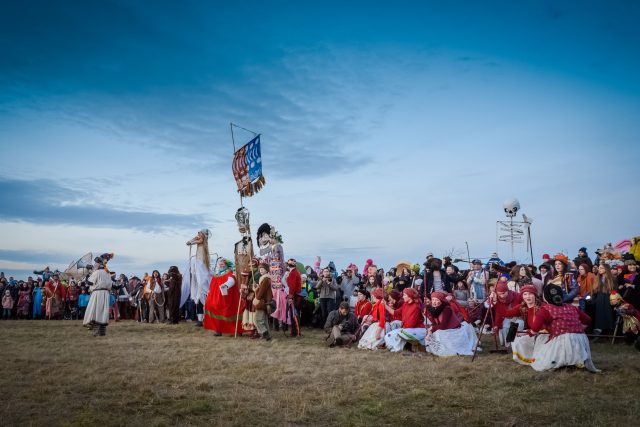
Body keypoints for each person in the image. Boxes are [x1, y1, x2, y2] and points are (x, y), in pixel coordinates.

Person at [525, 284, 598, 372]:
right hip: (580, 339)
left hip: (561, 339)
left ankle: (560, 362)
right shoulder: (571, 307)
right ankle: (576, 360)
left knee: (541, 353)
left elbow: (535, 329)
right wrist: (579, 328)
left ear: (545, 297)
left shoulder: (545, 309)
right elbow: (588, 320)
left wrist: (529, 332)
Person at [424, 291, 478, 356]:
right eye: (433, 300)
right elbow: (435, 323)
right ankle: (435, 349)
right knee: (430, 331)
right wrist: (431, 328)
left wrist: (431, 330)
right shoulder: (433, 309)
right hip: (443, 327)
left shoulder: (447, 309)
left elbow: (443, 325)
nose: (434, 302)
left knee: (438, 333)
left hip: (452, 329)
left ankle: (444, 350)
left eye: (436, 300)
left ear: (441, 301)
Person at [181, 229, 213, 327]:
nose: (197, 236)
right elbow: (188, 243)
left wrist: (194, 239)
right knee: (198, 296)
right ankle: (200, 319)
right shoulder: (200, 244)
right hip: (198, 268)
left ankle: (206, 318)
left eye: (199, 234)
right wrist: (193, 239)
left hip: (201, 268)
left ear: (203, 236)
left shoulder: (202, 243)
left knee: (202, 291)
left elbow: (190, 242)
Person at [204, 258, 241, 336]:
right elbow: (212, 285)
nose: (221, 265)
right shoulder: (216, 274)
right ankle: (218, 330)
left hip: (225, 297)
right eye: (220, 264)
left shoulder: (229, 273)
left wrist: (226, 285)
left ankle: (236, 329)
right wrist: (209, 292)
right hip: (215, 297)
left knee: (227, 312)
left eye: (222, 264)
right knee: (214, 310)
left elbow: (232, 281)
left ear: (226, 265)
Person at [383, 288, 426, 352]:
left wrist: (401, 327)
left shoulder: (416, 306)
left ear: (410, 296)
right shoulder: (405, 304)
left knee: (399, 332)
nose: (403, 297)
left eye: (405, 295)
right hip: (406, 329)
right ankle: (396, 348)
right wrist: (385, 306)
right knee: (388, 335)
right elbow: (395, 313)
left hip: (417, 330)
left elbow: (411, 324)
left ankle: (399, 348)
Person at [490, 278, 524, 347]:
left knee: (515, 325)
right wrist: (496, 325)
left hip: (518, 317)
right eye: (499, 294)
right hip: (505, 317)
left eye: (503, 293)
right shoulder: (496, 299)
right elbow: (499, 313)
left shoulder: (517, 296)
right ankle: (507, 344)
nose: (502, 296)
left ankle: (515, 343)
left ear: (507, 290)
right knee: (504, 327)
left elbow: (523, 308)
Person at [82, 261, 113, 336]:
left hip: (97, 293)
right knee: (102, 313)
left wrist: (86, 276)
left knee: (95, 312)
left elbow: (90, 282)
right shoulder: (108, 273)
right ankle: (102, 332)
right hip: (105, 293)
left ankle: (97, 332)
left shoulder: (97, 272)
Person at [589, 263, 616, 337]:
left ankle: (609, 332)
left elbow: (615, 290)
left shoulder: (612, 279)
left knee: (608, 315)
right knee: (600, 316)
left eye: (601, 268)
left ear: (606, 269)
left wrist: (613, 299)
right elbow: (594, 291)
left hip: (608, 299)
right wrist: (593, 300)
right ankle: (600, 332)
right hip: (599, 299)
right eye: (599, 268)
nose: (599, 269)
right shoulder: (597, 278)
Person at [252, 263, 273, 340]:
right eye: (260, 269)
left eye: (262, 269)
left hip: (262, 301)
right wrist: (256, 287)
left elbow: (262, 291)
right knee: (263, 319)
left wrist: (257, 298)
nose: (261, 270)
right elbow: (261, 289)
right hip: (265, 301)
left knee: (257, 319)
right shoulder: (264, 278)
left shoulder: (266, 279)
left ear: (266, 270)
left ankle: (265, 333)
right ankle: (267, 335)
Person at [285, 259, 302, 337]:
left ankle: (296, 332)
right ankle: (294, 331)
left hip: (294, 295)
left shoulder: (293, 273)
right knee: (293, 314)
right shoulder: (295, 272)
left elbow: (292, 285)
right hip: (295, 294)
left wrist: (291, 295)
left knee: (294, 314)